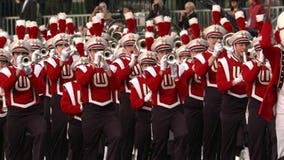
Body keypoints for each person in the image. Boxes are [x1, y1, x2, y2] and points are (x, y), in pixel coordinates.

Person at [75, 36, 121, 160]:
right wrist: (94, 64)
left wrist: (108, 70)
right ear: (89, 52)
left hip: (109, 111)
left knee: (116, 136)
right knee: (90, 146)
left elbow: (117, 86)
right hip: (91, 111)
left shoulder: (112, 67)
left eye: (100, 49)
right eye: (94, 50)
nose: (98, 53)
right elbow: (83, 81)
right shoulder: (82, 67)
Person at [0, 38, 46, 160]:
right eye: (17, 53)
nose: (20, 56)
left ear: (28, 55)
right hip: (15, 113)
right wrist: (17, 71)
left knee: (41, 132)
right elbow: (5, 86)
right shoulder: (6, 70)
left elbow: (42, 89)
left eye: (23, 54)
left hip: (33, 112)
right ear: (13, 56)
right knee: (13, 146)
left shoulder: (36, 68)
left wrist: (30, 74)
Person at [145, 35, 188, 160]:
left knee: (183, 134)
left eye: (167, 51)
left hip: (176, 108)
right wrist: (162, 71)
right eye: (161, 52)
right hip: (160, 109)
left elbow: (184, 92)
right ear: (156, 54)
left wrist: (175, 76)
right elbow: (153, 88)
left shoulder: (180, 68)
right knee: (160, 142)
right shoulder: (151, 70)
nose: (164, 54)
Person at [216, 30, 252, 160]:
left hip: (247, 104)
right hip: (230, 105)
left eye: (245, 44)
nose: (243, 47)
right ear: (234, 46)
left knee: (251, 138)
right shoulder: (224, 62)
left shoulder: (251, 61)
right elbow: (220, 86)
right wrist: (237, 80)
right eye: (240, 44)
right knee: (228, 142)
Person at [194, 24, 227, 160]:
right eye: (212, 37)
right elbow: (200, 72)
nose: (215, 40)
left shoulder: (226, 53)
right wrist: (214, 55)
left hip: (226, 94)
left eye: (218, 37)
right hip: (211, 93)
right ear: (207, 39)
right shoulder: (201, 56)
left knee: (224, 133)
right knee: (210, 132)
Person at [258, 11, 284, 160]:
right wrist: (267, 25)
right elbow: (265, 45)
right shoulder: (277, 53)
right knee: (281, 136)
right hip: (282, 99)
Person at [129, 51, 156, 160]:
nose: (147, 67)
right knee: (143, 149)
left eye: (150, 65)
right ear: (141, 66)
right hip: (143, 115)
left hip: (159, 115)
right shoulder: (136, 82)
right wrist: (144, 99)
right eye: (145, 65)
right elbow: (134, 104)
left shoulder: (160, 77)